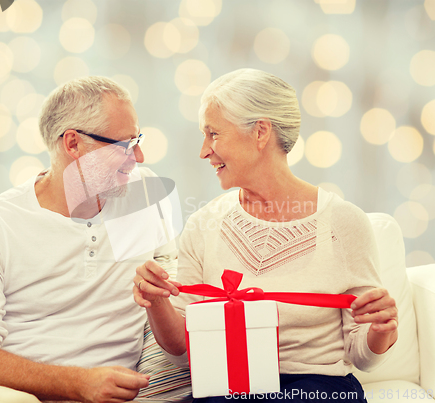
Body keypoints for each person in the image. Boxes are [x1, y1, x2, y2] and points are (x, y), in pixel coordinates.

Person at [133, 68, 398, 402]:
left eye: (214, 134)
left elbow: (362, 355)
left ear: (260, 133)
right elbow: (183, 352)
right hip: (229, 391)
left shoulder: (343, 223)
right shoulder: (204, 225)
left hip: (316, 391)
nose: (203, 151)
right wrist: (155, 301)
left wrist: (381, 329)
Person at [0, 76, 177, 403]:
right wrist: (79, 383)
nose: (138, 157)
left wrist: (157, 297)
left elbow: (178, 323)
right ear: (73, 144)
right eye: (125, 145)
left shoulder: (145, 195)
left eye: (137, 140)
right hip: (10, 393)